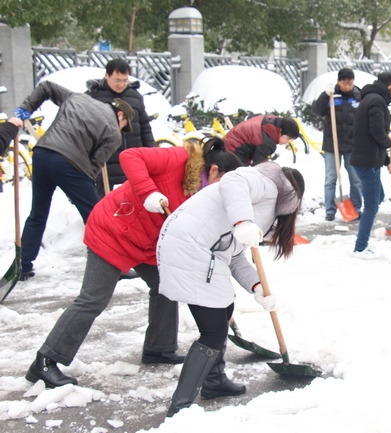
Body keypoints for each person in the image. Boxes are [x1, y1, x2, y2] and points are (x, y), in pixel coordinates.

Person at [24, 136, 242, 389]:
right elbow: (130, 156)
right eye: (223, 184)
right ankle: (46, 361)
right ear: (213, 170)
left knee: (167, 288)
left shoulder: (204, 194)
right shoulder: (180, 158)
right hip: (113, 230)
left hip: (148, 243)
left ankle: (159, 348)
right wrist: (149, 192)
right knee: (93, 298)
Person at [157, 161, 304, 417]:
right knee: (212, 331)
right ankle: (180, 407)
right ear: (293, 197)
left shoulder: (265, 204)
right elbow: (233, 180)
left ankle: (214, 381)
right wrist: (243, 221)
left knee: (224, 308)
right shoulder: (267, 184)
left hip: (198, 249)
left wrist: (257, 286)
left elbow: (234, 255)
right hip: (192, 249)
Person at [14, 81, 135, 281]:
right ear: (120, 116)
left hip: (43, 154)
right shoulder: (113, 132)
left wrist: (26, 108)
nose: (122, 129)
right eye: (125, 125)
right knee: (98, 217)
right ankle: (116, 265)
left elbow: (46, 87)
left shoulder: (77, 98)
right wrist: (82, 188)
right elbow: (94, 164)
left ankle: (23, 265)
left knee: (38, 213)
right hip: (71, 165)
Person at [86, 58, 156, 197]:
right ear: (107, 76)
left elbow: (145, 128)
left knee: (132, 202)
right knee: (103, 204)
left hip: (131, 161)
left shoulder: (135, 97)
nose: (121, 84)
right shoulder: (93, 97)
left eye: (125, 80)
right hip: (104, 163)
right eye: (117, 80)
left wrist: (152, 154)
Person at [350, 71, 391, 256]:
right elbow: (377, 132)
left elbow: (373, 135)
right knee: (372, 206)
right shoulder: (376, 101)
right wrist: (390, 142)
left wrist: (386, 160)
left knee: (378, 197)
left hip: (371, 159)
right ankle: (360, 247)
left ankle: (362, 239)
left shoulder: (371, 99)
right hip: (367, 161)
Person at [312, 68, 363, 221]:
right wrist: (324, 95)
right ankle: (330, 210)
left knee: (355, 178)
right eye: (344, 83)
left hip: (352, 145)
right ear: (338, 81)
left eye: (350, 83)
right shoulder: (331, 95)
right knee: (331, 177)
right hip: (331, 144)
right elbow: (316, 110)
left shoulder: (358, 96)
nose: (347, 86)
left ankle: (356, 208)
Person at [224, 114, 300, 166]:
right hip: (232, 152)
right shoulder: (268, 141)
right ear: (280, 131)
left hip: (226, 142)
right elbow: (260, 167)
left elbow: (251, 117)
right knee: (244, 179)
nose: (288, 142)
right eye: (288, 138)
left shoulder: (269, 119)